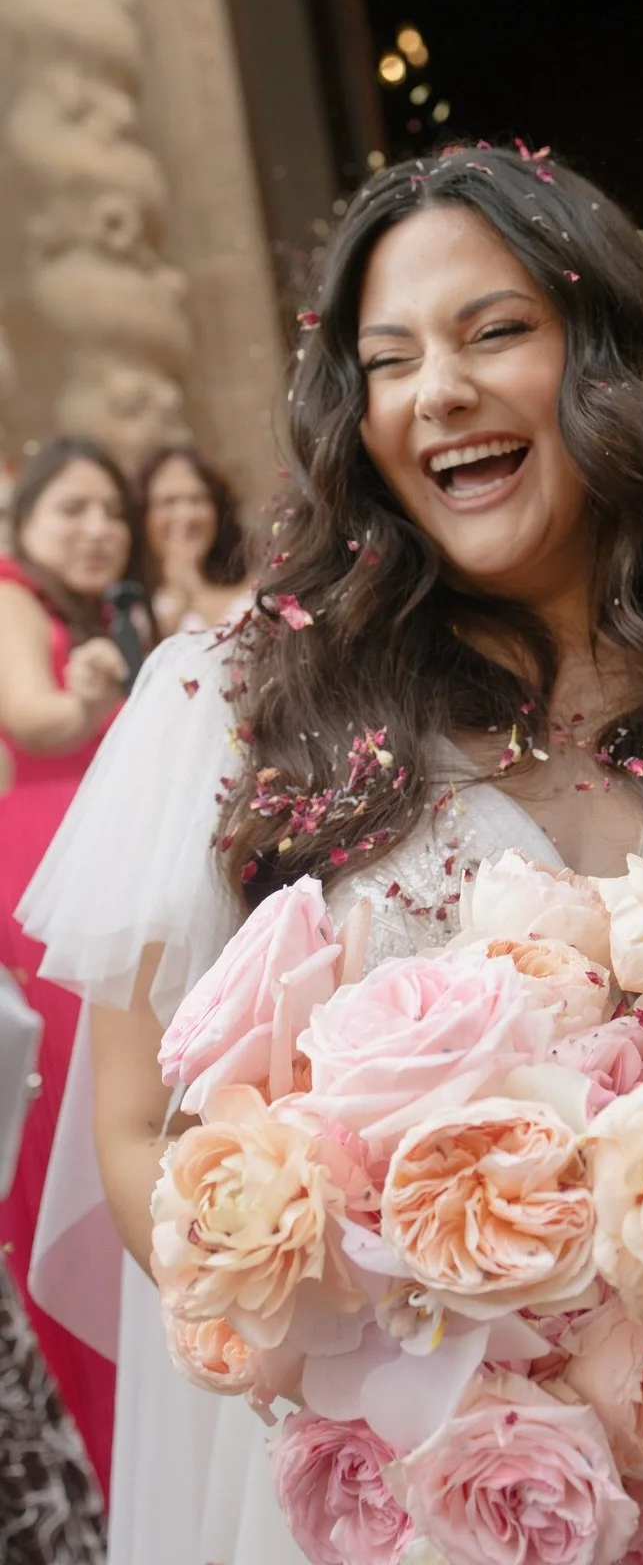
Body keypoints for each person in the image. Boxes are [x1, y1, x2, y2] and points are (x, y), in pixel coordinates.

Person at [20, 144, 643, 1565]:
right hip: (458, 1493)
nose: (442, 393)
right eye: (391, 360)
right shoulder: (235, 712)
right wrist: (398, 1384)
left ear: (606, 352)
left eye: (497, 333)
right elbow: (138, 1135)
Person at [0, 437, 146, 1501]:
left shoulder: (92, 611)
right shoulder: (10, 595)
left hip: (89, 870)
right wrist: (96, 688)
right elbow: (35, 719)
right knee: (73, 1129)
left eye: (112, 511)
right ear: (26, 525)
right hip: (41, 879)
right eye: (74, 510)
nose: (99, 528)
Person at [135, 445, 252, 636]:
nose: (186, 515)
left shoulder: (253, 588)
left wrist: (194, 586)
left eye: (198, 499)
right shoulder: (130, 607)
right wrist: (180, 596)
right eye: (169, 502)